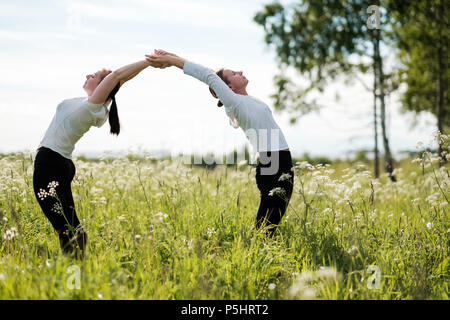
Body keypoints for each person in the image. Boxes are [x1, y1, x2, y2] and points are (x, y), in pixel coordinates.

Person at [146, 50, 294, 236]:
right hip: (272, 161)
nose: (239, 71)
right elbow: (208, 75)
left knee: (273, 216)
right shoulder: (234, 102)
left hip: (281, 160)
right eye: (233, 74)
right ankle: (255, 252)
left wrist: (171, 57)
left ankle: (258, 249)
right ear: (229, 88)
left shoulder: (248, 100)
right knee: (268, 221)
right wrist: (172, 61)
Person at [33, 56, 165, 257]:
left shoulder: (92, 106)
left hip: (50, 163)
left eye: (94, 75)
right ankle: (78, 265)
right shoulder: (98, 105)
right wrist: (149, 66)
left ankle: (74, 268)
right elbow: (121, 79)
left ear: (104, 84)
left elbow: (117, 76)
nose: (88, 75)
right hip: (61, 163)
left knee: (64, 225)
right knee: (69, 223)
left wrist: (149, 61)